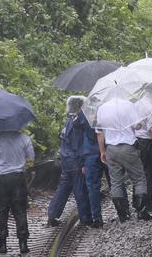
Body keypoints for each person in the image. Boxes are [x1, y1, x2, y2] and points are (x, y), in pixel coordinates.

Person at [96, 98, 152, 222]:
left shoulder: (102, 108)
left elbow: (100, 133)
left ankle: (122, 215)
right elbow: (137, 125)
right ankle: (141, 211)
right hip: (128, 147)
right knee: (139, 179)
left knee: (116, 182)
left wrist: (102, 151)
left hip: (111, 148)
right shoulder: (128, 105)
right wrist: (140, 123)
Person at [0, 130, 35, 254]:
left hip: (0, 179)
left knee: (1, 212)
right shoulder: (24, 138)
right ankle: (23, 244)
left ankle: (2, 245)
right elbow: (31, 158)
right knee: (20, 211)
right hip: (18, 178)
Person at [47, 96, 93, 228]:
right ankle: (85, 218)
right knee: (80, 189)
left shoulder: (69, 121)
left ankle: (52, 214)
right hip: (75, 160)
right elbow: (78, 145)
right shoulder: (78, 123)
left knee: (63, 188)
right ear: (80, 106)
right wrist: (84, 162)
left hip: (66, 159)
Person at [78, 96, 105, 228]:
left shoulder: (83, 113)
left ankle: (97, 218)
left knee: (93, 186)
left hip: (91, 153)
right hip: (108, 149)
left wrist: (82, 162)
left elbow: (80, 138)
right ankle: (123, 214)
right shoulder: (106, 108)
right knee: (116, 182)